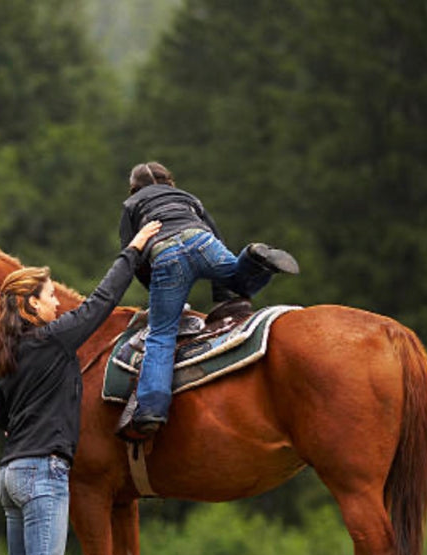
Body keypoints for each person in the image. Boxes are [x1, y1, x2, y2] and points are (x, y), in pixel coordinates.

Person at [0, 219, 161, 555]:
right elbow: (102, 302)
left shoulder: (5, 354)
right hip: (43, 474)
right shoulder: (53, 340)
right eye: (47, 297)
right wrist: (132, 251)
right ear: (29, 306)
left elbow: (3, 419)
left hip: (10, 475)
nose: (57, 303)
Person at [118, 161, 299, 440]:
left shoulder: (132, 205)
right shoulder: (189, 199)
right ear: (170, 182)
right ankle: (252, 259)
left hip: (166, 254)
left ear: (134, 188)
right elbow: (215, 234)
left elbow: (134, 255)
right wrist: (225, 296)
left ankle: (151, 409)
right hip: (202, 241)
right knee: (237, 276)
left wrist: (156, 295)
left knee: (162, 333)